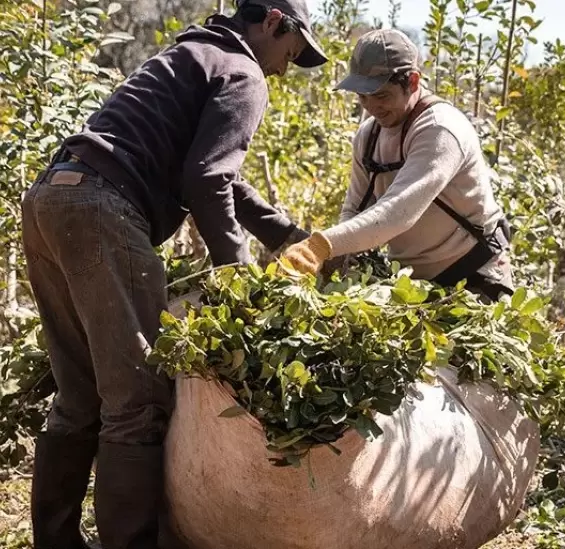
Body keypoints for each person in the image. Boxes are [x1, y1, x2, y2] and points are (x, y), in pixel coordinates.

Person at [20, 1, 326, 548]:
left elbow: (212, 177)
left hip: (54, 198)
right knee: (137, 400)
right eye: (291, 51)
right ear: (275, 22)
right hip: (102, 210)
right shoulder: (244, 72)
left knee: (80, 394)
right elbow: (209, 179)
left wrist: (287, 236)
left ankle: (55, 540)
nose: (283, 67)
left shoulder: (196, 53)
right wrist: (241, 281)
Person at [282, 28, 514, 302]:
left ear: (413, 82)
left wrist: (322, 245)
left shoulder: (440, 129)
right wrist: (336, 261)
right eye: (362, 97)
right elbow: (355, 208)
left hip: (473, 280)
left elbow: (398, 212)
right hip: (412, 287)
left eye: (381, 96)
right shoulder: (369, 136)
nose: (371, 107)